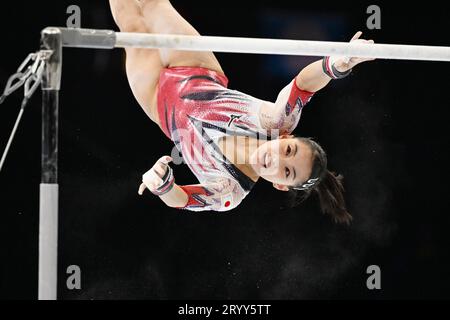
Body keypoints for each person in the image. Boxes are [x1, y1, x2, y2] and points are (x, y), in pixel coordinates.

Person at [109, 0, 375, 224]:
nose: (276, 160)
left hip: (157, 102)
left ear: (279, 185)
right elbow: (304, 85)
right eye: (288, 151)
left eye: (286, 172)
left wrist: (162, 185)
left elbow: (182, 199)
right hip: (194, 66)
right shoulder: (276, 121)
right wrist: (339, 64)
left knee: (129, 23)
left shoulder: (229, 191)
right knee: (149, 4)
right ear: (285, 139)